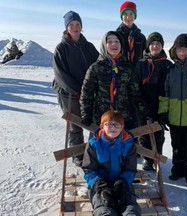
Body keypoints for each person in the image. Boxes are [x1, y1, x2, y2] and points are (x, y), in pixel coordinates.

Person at [52, 11, 99, 166]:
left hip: (87, 92)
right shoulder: (61, 49)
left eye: (78, 24)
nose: (75, 27)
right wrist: (76, 90)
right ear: (67, 28)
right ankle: (78, 155)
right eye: (71, 24)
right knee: (75, 124)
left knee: (94, 122)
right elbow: (60, 75)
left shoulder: (89, 47)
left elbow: (98, 66)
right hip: (68, 94)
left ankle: (93, 151)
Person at [158, 33, 187, 190]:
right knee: (176, 145)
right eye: (179, 49)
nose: (182, 52)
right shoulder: (170, 70)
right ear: (174, 50)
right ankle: (178, 170)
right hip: (174, 116)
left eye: (185, 49)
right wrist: (163, 113)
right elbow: (165, 93)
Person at [80, 31, 149, 130]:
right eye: (110, 41)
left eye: (117, 41)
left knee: (127, 145)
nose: (114, 44)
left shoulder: (128, 68)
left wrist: (145, 111)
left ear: (121, 45)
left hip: (124, 120)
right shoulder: (96, 68)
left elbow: (135, 94)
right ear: (104, 45)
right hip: (102, 119)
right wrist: (86, 114)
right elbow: (87, 93)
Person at [82, 110, 141, 216]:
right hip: (100, 185)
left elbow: (130, 169)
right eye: (108, 124)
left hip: (122, 184)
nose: (113, 128)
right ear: (102, 126)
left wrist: (122, 183)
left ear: (122, 127)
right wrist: (100, 185)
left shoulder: (129, 145)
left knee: (130, 208)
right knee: (104, 209)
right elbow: (89, 170)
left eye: (116, 125)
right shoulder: (94, 145)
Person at [135, 32, 172, 170]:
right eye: (152, 44)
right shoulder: (141, 64)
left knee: (158, 133)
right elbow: (135, 86)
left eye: (158, 44)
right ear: (148, 46)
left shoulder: (167, 64)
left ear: (162, 46)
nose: (155, 46)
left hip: (161, 103)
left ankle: (156, 156)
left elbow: (169, 87)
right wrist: (141, 105)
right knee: (144, 134)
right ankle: (147, 159)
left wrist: (165, 108)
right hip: (143, 103)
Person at [116, 1, 146, 67]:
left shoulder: (141, 37)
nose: (128, 17)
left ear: (135, 16)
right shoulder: (116, 36)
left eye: (131, 14)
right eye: (125, 14)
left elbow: (146, 57)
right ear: (121, 16)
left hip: (138, 74)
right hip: (120, 74)